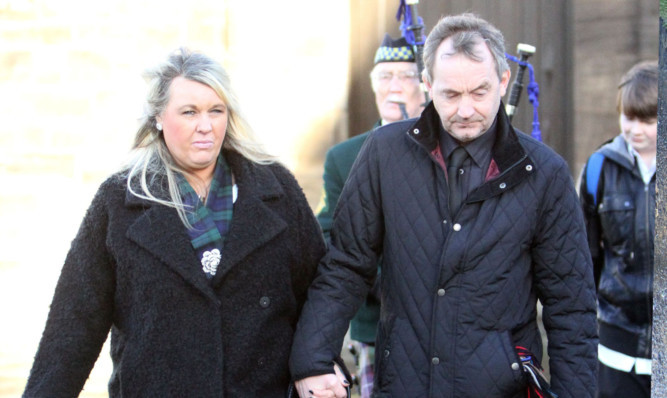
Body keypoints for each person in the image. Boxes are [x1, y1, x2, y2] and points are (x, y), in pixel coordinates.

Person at [290, 13, 598, 398]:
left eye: (479, 92)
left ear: (503, 82)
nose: (465, 110)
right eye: (451, 95)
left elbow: (570, 305)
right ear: (428, 85)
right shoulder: (384, 154)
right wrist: (313, 357)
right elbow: (347, 263)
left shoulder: (544, 173)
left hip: (502, 388)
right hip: (403, 384)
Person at [23, 48, 326, 397]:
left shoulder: (276, 190)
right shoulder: (119, 201)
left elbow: (319, 292)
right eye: (189, 112)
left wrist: (319, 363)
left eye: (216, 111)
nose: (205, 126)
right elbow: (75, 321)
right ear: (158, 117)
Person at [315, 33, 425, 398]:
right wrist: (386, 285)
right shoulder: (344, 157)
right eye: (385, 76)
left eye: (407, 76)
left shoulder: (446, 149)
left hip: (441, 325)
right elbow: (332, 236)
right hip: (375, 323)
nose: (396, 86)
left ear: (425, 84)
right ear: (373, 85)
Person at [579, 60, 657, 398]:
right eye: (628, 118)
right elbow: (586, 252)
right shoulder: (599, 168)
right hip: (615, 332)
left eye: (648, 121)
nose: (635, 129)